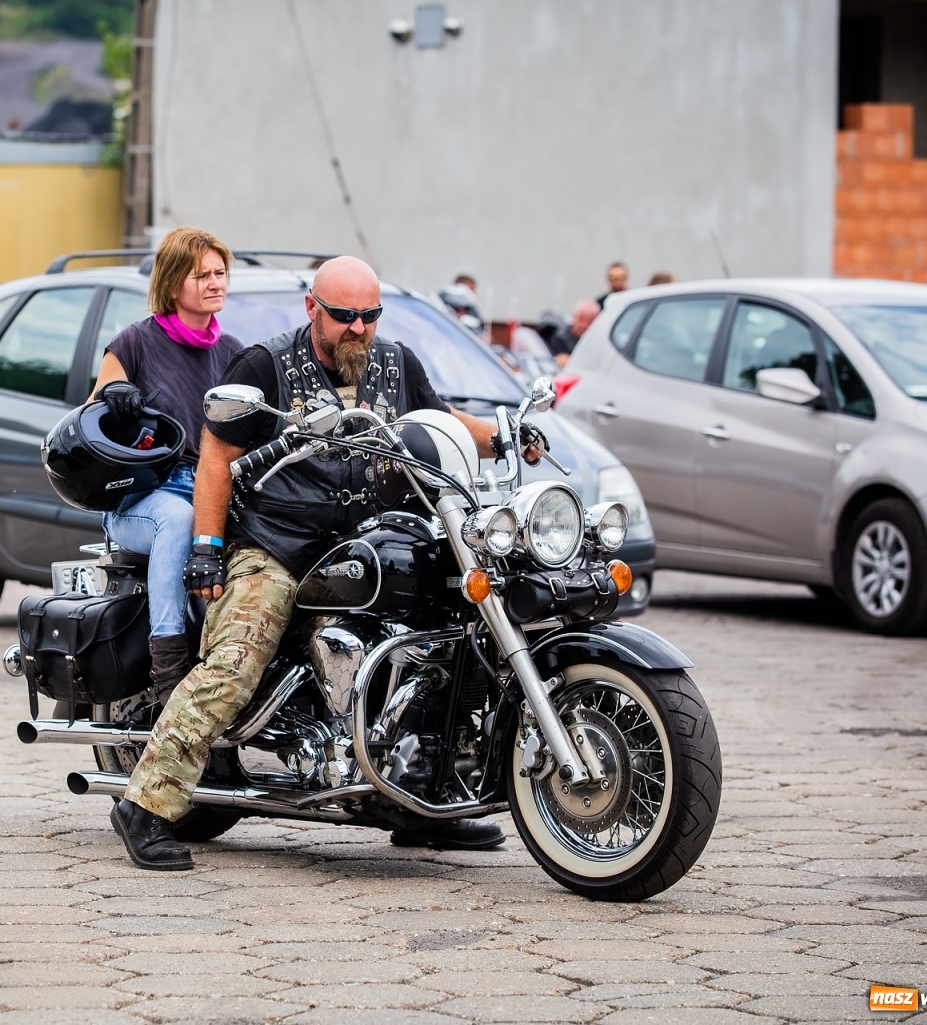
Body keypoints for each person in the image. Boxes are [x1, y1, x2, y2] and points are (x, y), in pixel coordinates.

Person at [109, 255, 513, 871]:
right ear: (313, 310)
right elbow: (217, 456)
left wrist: (504, 437)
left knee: (447, 636)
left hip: (365, 545)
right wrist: (208, 549)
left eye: (369, 316)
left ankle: (419, 800)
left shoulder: (397, 363)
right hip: (275, 546)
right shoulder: (265, 365)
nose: (358, 328)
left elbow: (441, 419)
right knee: (237, 657)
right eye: (345, 316)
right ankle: (146, 805)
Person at [90, 228, 242, 699]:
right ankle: (168, 671)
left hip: (213, 487)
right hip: (142, 497)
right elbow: (90, 422)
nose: (216, 282)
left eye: (220, 273)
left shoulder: (234, 353)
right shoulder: (133, 343)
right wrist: (112, 399)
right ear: (174, 283)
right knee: (178, 518)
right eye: (203, 275)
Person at [546, 298, 600, 367]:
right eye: (581, 319)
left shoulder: (599, 340)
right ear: (573, 316)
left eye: (590, 321)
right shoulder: (560, 338)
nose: (584, 325)